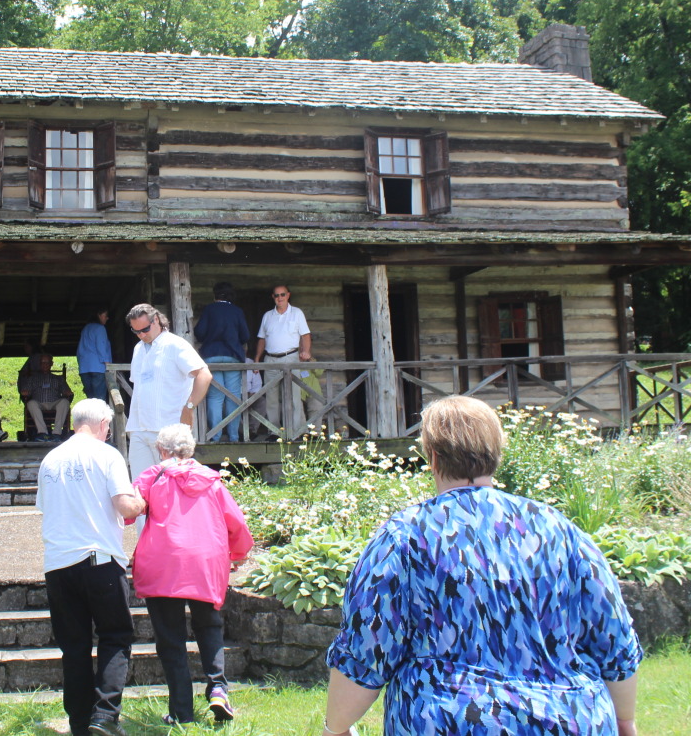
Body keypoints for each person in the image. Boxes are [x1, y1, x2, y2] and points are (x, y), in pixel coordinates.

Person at [322, 395, 642, 736]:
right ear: (497, 453)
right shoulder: (558, 528)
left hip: (447, 722)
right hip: (571, 719)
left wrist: (337, 728)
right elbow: (613, 637)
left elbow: (367, 648)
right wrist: (625, 722)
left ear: (431, 456)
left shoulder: (405, 536)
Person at [132, 423, 253, 725]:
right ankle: (218, 689)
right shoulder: (212, 481)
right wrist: (237, 554)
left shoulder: (152, 476)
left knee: (170, 639)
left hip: (164, 562)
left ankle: (181, 712)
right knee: (209, 626)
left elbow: (128, 511)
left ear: (161, 450)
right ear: (191, 450)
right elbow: (236, 523)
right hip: (205, 561)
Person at [38, 398, 146, 736]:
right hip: (98, 559)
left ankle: (79, 723)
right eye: (109, 427)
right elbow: (125, 508)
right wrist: (143, 501)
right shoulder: (107, 454)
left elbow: (47, 508)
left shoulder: (49, 460)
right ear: (102, 423)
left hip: (57, 564)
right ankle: (105, 716)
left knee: (74, 645)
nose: (109, 432)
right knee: (115, 636)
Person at [124, 303, 212, 478]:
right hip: (139, 427)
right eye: (136, 332)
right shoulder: (138, 348)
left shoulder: (175, 344)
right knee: (140, 486)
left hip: (168, 429)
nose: (141, 335)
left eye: (145, 329)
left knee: (171, 485)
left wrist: (189, 407)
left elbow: (204, 374)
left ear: (156, 320)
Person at [253, 284, 311, 439]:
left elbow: (305, 335)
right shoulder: (268, 315)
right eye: (276, 295)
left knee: (293, 396)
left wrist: (306, 351)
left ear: (288, 295)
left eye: (282, 295)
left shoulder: (297, 313)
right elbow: (262, 339)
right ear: (273, 297)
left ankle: (295, 431)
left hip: (291, 357)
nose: (280, 298)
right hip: (270, 358)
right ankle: (274, 431)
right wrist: (257, 359)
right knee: (271, 397)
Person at [194, 283, 250, 442]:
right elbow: (245, 335)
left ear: (215, 295)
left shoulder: (209, 310)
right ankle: (233, 436)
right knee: (233, 397)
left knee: (215, 398)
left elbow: (200, 332)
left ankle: (215, 436)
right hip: (233, 356)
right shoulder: (237, 311)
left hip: (212, 356)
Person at [21, 353, 73, 440]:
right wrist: (25, 392)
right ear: (40, 364)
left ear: (51, 364)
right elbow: (26, 391)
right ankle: (42, 432)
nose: (45, 364)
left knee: (64, 402)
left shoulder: (58, 379)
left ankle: (56, 433)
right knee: (31, 403)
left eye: (47, 362)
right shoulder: (33, 378)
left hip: (54, 402)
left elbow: (66, 391)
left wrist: (67, 392)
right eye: (42, 362)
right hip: (39, 402)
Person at [77, 308, 112, 402]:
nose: (107, 318)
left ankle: (91, 417)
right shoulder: (100, 328)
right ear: (99, 315)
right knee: (99, 399)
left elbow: (79, 351)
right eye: (105, 315)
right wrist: (108, 365)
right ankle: (100, 417)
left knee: (91, 399)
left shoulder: (85, 329)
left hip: (84, 369)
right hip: (98, 368)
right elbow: (101, 346)